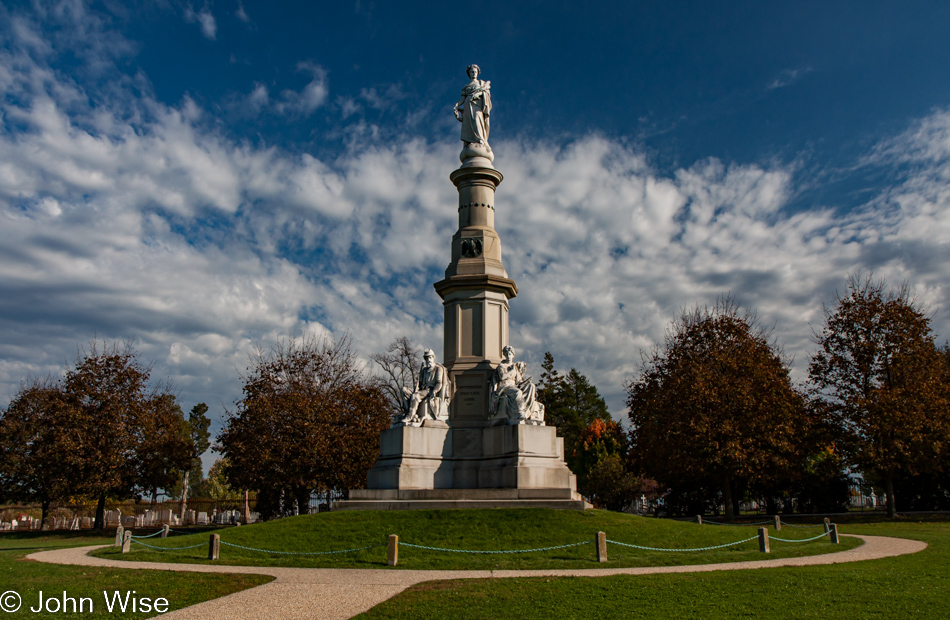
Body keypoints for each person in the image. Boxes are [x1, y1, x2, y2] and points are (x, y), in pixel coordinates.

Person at [489, 345, 544, 424]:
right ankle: (519, 412)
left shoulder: (515, 367)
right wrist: (511, 371)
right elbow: (502, 377)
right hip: (505, 386)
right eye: (507, 354)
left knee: (531, 386)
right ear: (504, 355)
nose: (508, 356)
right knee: (517, 392)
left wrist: (526, 382)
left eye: (510, 354)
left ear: (513, 355)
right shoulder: (502, 366)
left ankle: (527, 410)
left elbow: (518, 381)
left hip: (514, 385)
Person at [400, 348, 449, 425]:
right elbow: (420, 383)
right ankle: (407, 412)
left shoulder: (438, 368)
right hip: (422, 390)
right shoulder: (424, 370)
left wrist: (435, 391)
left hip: (429, 390)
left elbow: (439, 383)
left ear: (433, 357)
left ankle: (410, 416)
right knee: (403, 390)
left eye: (430, 357)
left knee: (416, 395)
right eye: (426, 358)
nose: (428, 360)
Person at [454, 64, 492, 152]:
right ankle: (470, 141)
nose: (474, 73)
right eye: (472, 72)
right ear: (469, 73)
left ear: (478, 73)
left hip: (477, 105)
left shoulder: (481, 83)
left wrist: (478, 94)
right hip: (467, 105)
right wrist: (457, 105)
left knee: (477, 119)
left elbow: (486, 93)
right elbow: (463, 98)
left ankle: (481, 139)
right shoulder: (466, 86)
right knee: (468, 124)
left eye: (475, 72)